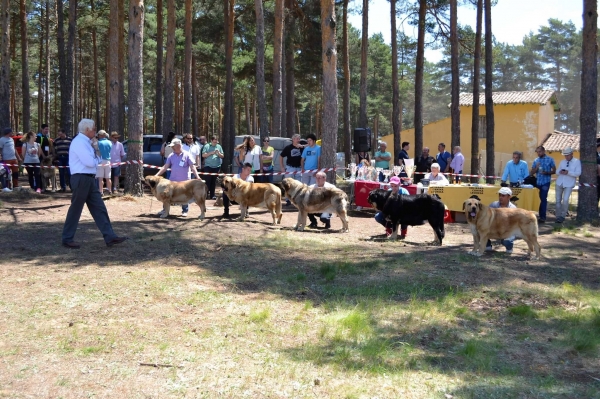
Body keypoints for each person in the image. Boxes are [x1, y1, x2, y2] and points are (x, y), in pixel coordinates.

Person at [61, 118, 128, 249]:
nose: (95, 131)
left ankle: (110, 236)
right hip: (81, 178)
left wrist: (97, 157)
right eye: (93, 129)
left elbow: (93, 160)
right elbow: (90, 162)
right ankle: (67, 238)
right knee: (76, 209)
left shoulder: (86, 142)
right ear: (87, 130)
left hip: (89, 178)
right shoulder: (80, 142)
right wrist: (98, 158)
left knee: (99, 207)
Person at [155, 138, 201, 217]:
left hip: (185, 182)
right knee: (166, 196)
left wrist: (197, 177)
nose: (172, 148)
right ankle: (165, 210)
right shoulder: (171, 155)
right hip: (172, 182)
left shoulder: (187, 155)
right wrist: (157, 175)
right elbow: (165, 167)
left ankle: (185, 210)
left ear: (179, 146)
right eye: (172, 146)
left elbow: (193, 167)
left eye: (173, 146)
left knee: (185, 196)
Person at [485, 187, 517, 254]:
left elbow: (514, 225)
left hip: (507, 231)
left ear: (509, 197)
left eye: (503, 196)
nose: (500, 197)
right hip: (493, 229)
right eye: (499, 195)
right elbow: (485, 217)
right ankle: (487, 246)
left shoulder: (513, 209)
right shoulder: (493, 205)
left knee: (507, 241)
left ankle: (509, 247)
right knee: (480, 230)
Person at [554, 146, 581, 224]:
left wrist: (568, 172)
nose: (566, 157)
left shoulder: (577, 162)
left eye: (567, 155)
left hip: (569, 183)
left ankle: (563, 215)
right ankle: (558, 216)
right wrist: (561, 171)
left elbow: (578, 173)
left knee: (565, 199)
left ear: (572, 154)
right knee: (558, 200)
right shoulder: (563, 161)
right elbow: (557, 171)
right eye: (565, 155)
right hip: (559, 182)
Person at [531, 145, 556, 223]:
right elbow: (532, 172)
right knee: (537, 199)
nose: (538, 153)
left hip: (545, 182)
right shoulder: (536, 160)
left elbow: (554, 170)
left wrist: (547, 172)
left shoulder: (550, 159)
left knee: (543, 199)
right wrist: (536, 168)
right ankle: (537, 216)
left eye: (540, 151)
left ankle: (543, 217)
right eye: (537, 152)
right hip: (538, 182)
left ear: (544, 151)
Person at [280, 134, 304, 204]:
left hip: (299, 168)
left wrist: (302, 146)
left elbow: (310, 145)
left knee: (299, 184)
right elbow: (281, 156)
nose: (298, 140)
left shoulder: (302, 147)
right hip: (290, 168)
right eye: (296, 139)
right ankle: (288, 199)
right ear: (293, 139)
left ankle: (298, 199)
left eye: (299, 139)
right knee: (288, 184)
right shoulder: (288, 147)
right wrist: (282, 167)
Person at [202, 135, 224, 200]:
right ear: (211, 141)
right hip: (208, 166)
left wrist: (219, 153)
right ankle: (205, 194)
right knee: (207, 181)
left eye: (216, 142)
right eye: (214, 142)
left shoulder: (219, 146)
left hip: (216, 166)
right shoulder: (206, 146)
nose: (215, 143)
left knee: (213, 181)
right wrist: (211, 153)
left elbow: (222, 156)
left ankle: (212, 195)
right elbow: (203, 155)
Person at [95, 130, 112, 196]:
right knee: (108, 178)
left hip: (100, 161)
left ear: (99, 135)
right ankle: (109, 190)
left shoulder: (98, 143)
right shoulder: (109, 142)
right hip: (108, 161)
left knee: (100, 178)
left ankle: (101, 192)